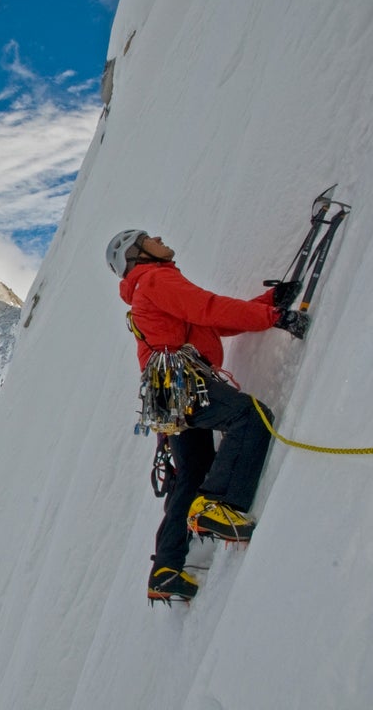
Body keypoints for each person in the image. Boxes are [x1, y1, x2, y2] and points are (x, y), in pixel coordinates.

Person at [105, 229, 308, 602]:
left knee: (192, 472)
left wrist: (266, 303)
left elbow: (208, 322)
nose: (159, 237)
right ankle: (220, 505)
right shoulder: (156, 278)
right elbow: (209, 308)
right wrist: (276, 317)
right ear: (137, 255)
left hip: (166, 395)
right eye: (148, 237)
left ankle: (166, 569)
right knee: (250, 417)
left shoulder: (146, 289)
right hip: (183, 381)